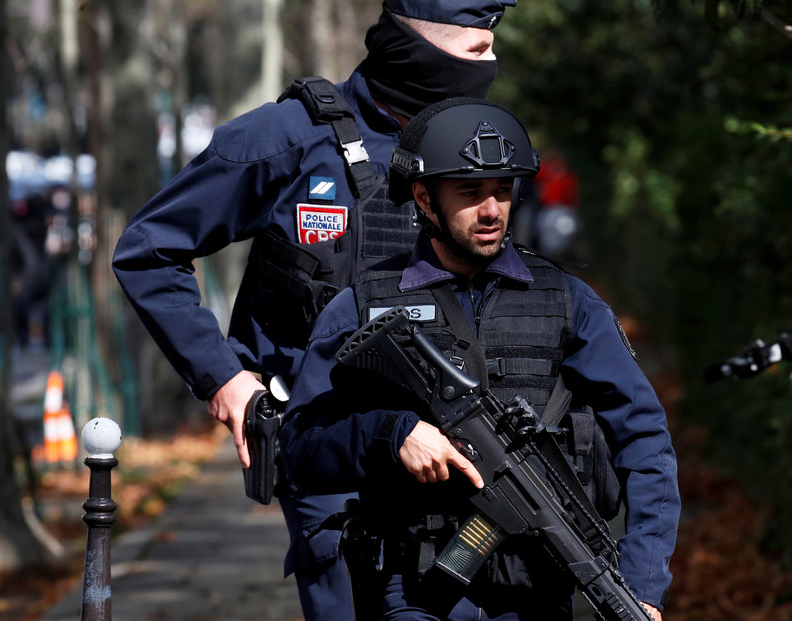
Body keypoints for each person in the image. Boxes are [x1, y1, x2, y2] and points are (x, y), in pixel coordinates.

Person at [111, 2, 518, 620]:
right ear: (417, 48)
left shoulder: (477, 148)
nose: (492, 63)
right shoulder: (288, 137)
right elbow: (149, 249)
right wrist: (222, 377)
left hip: (455, 450)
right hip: (328, 450)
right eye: (475, 50)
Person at [279, 98, 679, 620]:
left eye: (502, 190)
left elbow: (644, 438)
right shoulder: (364, 305)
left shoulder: (567, 301)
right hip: (415, 592)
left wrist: (644, 582)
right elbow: (299, 446)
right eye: (470, 193)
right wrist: (391, 434)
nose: (491, 210)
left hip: (540, 590)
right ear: (423, 197)